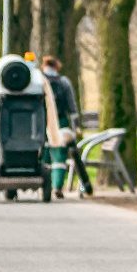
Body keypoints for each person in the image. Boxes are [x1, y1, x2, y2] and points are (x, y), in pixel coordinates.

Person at [42, 56, 91, 197]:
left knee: (44, 155)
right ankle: (57, 186)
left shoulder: (39, 81)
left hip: (42, 123)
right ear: (57, 67)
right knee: (59, 156)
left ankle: (44, 184)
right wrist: (76, 128)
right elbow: (72, 107)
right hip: (60, 123)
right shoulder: (63, 82)